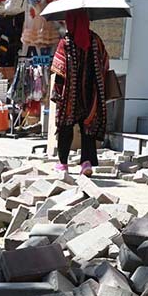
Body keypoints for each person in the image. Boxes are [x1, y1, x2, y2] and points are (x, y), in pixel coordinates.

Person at [51, 9, 109, 177]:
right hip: (91, 94)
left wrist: (57, 94)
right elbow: (105, 63)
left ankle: (63, 163)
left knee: (65, 126)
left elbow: (59, 69)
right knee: (88, 127)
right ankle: (86, 163)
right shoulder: (96, 40)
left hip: (70, 95)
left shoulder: (66, 42)